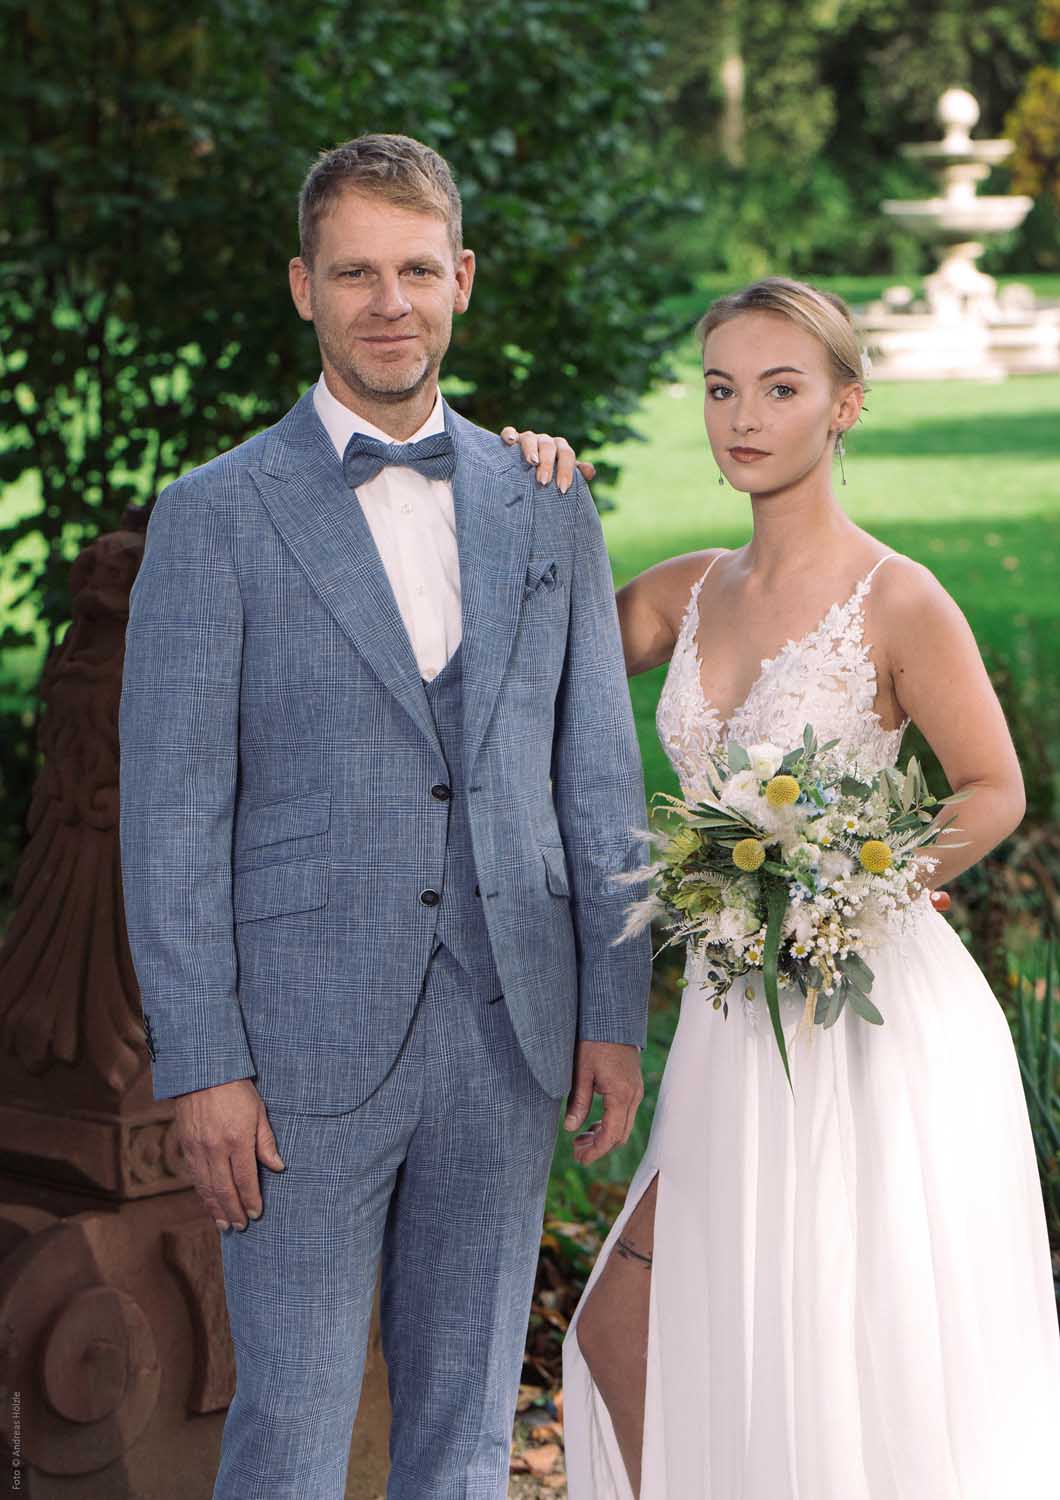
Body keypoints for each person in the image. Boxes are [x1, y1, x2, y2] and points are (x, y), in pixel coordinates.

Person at [117, 132, 652, 1500]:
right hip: (295, 1055)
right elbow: (171, 818)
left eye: (415, 270)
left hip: (511, 1028)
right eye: (354, 272)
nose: (388, 302)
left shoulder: (544, 501)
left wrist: (611, 1006)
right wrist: (203, 1063)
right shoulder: (215, 515)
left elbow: (596, 772)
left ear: (461, 279)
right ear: (304, 287)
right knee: (290, 1437)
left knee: (465, 1439)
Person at [504, 276, 1060, 1499]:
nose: (742, 417)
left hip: (865, 1021)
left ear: (842, 408)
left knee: (837, 1350)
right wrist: (532, 494)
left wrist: (849, 885)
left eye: (779, 388)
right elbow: (517, 665)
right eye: (720, 389)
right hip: (729, 1020)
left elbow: (992, 788)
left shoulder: (897, 597)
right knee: (631, 1335)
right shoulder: (683, 592)